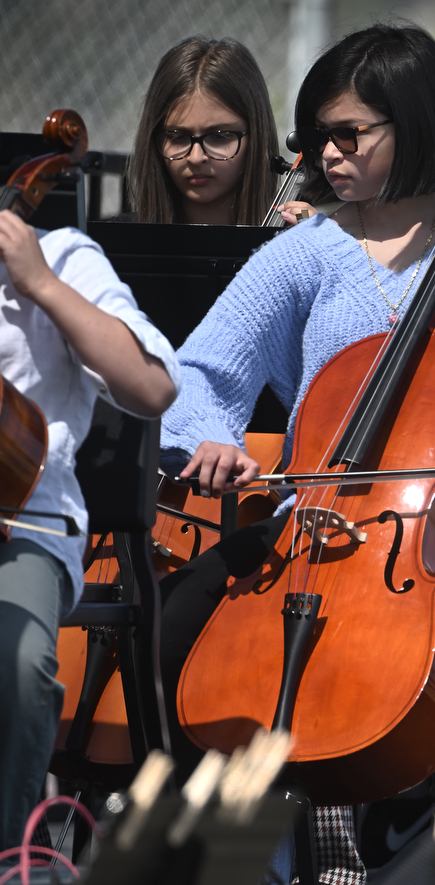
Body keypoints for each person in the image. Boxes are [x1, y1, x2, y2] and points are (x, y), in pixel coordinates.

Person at [155, 24, 435, 882]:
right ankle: (205, 850)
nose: (326, 153)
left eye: (348, 133)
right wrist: (208, 443)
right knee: (184, 613)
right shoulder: (305, 255)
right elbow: (197, 376)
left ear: (416, 124)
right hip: (319, 519)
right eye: (317, 134)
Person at [0, 208, 178, 853]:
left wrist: (40, 282)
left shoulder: (62, 255)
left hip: (23, 520)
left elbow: (153, 387)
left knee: (16, 662)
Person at [127, 36, 282, 225]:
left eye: (220, 137)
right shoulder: (111, 244)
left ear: (256, 139)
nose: (195, 158)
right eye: (177, 138)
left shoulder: (292, 234)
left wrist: (312, 232)